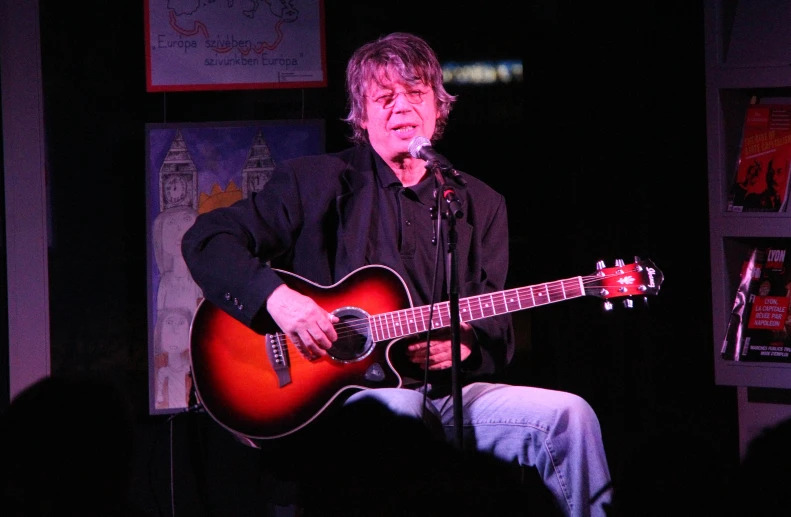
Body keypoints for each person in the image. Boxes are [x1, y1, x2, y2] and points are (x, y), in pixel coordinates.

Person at [181, 31, 612, 517]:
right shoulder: (314, 181)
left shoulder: (479, 204)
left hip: (447, 396)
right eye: (384, 98)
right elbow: (206, 240)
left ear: (438, 108)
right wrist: (279, 300)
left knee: (571, 417)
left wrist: (468, 345)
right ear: (362, 117)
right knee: (400, 416)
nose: (400, 107)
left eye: (414, 93)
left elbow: (496, 332)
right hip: (339, 403)